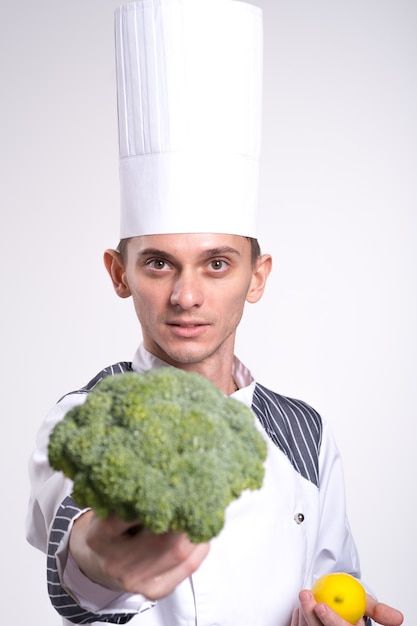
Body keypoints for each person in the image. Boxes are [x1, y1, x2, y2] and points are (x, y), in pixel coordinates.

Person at [26, 1, 403, 625]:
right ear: (120, 274)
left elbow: (334, 586)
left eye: (217, 264)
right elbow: (82, 570)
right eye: (158, 264)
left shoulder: (306, 434)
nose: (186, 296)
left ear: (258, 278)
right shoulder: (82, 418)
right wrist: (99, 557)